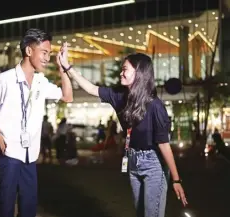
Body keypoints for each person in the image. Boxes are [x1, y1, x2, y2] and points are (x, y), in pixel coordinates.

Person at [56, 44, 187, 217]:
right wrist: (67, 67)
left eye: (125, 69)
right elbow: (91, 88)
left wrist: (176, 179)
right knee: (140, 213)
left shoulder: (155, 106)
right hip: (133, 161)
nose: (121, 73)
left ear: (139, 72)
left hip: (154, 163)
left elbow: (164, 145)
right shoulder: (118, 95)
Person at [0, 29, 73, 217]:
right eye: (44, 52)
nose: (47, 58)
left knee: (29, 207)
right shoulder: (4, 80)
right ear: (29, 51)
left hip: (30, 156)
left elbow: (67, 96)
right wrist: (0, 140)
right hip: (9, 154)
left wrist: (63, 68)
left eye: (49, 53)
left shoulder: (41, 82)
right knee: (5, 206)